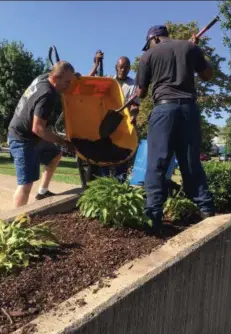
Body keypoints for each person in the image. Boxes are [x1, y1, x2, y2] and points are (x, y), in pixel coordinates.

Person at [135, 25, 215, 232]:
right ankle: (207, 212)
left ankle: (153, 217)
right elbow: (207, 74)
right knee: (190, 162)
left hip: (164, 110)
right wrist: (194, 51)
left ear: (154, 39)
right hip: (189, 110)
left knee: (157, 163)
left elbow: (141, 92)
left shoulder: (149, 55)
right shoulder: (189, 48)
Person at [8, 61, 76, 208]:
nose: (69, 85)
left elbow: (60, 71)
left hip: (32, 136)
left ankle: (43, 192)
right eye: (67, 82)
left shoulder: (43, 77)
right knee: (25, 184)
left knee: (55, 155)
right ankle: (14, 224)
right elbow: (38, 129)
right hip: (22, 138)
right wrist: (64, 142)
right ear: (56, 78)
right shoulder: (48, 95)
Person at [89, 51, 140, 182]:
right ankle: (103, 182)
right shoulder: (108, 81)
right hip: (106, 123)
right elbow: (90, 81)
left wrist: (133, 116)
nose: (123, 70)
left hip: (123, 123)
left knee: (121, 155)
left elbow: (135, 105)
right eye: (121, 67)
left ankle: (119, 182)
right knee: (104, 155)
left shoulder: (134, 84)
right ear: (116, 68)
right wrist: (96, 63)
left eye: (126, 67)